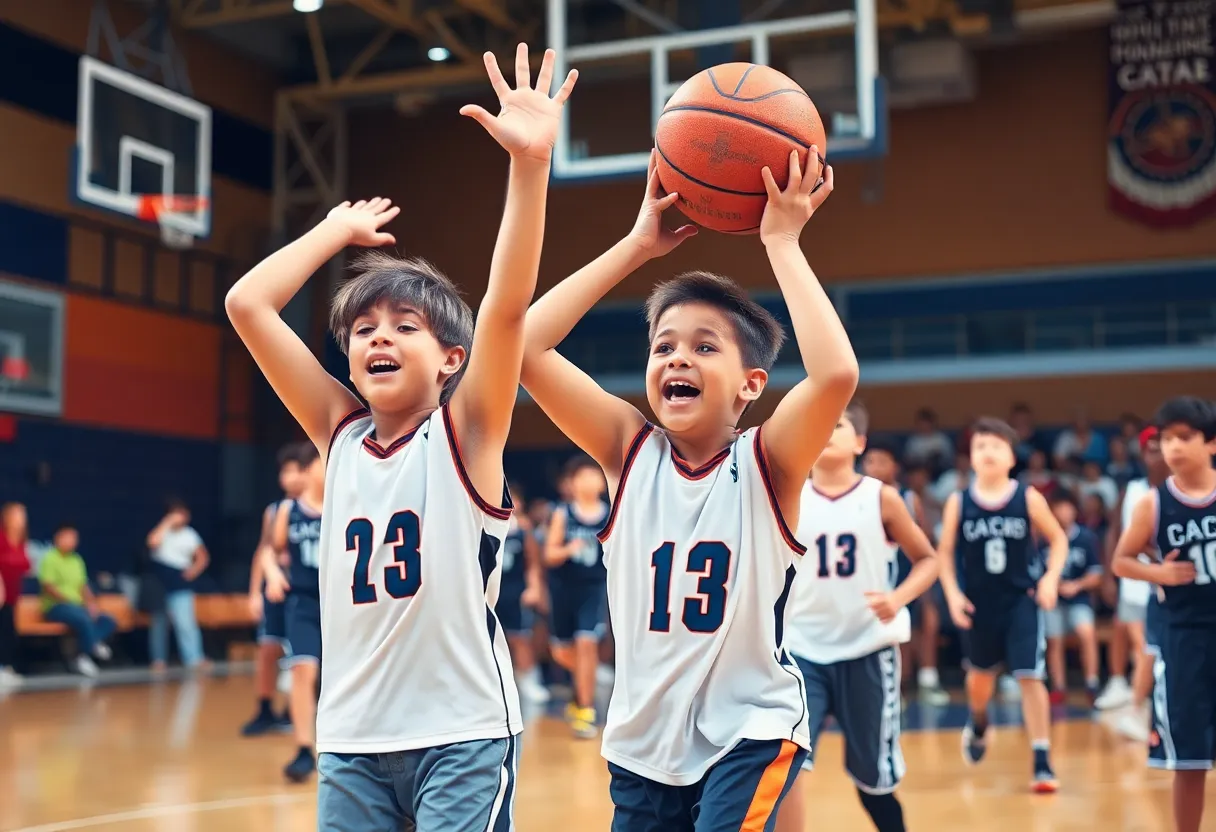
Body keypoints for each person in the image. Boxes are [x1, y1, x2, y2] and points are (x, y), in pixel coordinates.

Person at [225, 44, 576, 831]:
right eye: (362, 329)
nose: (378, 339)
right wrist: (331, 230)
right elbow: (249, 304)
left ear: (453, 358)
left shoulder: (468, 430)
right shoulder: (338, 433)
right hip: (350, 741)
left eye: (404, 327)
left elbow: (509, 307)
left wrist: (530, 168)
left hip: (462, 734)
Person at [520, 145, 856, 830]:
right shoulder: (628, 450)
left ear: (750, 385)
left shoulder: (771, 462)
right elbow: (523, 349)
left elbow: (834, 376)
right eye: (664, 345)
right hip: (644, 746)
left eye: (706, 346)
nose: (677, 356)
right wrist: (636, 246)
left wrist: (783, 242)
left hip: (749, 729)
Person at [776, 401, 939, 832]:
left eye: (840, 424)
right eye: (822, 423)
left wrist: (898, 597)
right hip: (801, 650)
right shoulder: (787, 494)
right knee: (788, 762)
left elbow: (928, 560)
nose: (828, 429)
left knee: (874, 781)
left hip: (868, 646)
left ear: (860, 442)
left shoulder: (881, 497)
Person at [937, 417, 1068, 793]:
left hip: (1021, 602)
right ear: (970, 458)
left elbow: (1058, 541)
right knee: (980, 680)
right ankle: (979, 720)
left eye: (996, 446)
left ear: (1012, 457)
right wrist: (952, 594)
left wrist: (1049, 579)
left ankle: (1042, 761)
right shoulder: (958, 502)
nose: (988, 452)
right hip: (979, 606)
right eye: (980, 446)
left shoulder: (1027, 497)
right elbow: (944, 555)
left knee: (1030, 675)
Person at [1112, 396, 1216, 832]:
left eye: (1185, 437)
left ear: (1211, 443)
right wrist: (1161, 572)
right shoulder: (1153, 505)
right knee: (1189, 761)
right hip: (1184, 637)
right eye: (1166, 438)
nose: (1173, 447)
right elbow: (1121, 561)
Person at [862, 437, 949, 705]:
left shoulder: (909, 498)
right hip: (878, 574)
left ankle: (928, 680)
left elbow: (924, 540)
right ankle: (896, 689)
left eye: (882, 461)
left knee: (928, 623)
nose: (875, 467)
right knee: (890, 632)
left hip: (909, 569)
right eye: (870, 461)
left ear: (894, 467)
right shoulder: (862, 497)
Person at [1097, 427, 1166, 742]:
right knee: (1138, 644)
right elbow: (1114, 531)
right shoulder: (1132, 490)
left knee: (1147, 649)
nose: (1156, 453)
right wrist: (1110, 573)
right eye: (1150, 448)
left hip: (1164, 584)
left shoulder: (1178, 490)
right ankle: (1123, 691)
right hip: (1136, 579)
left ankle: (1140, 707)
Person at [262, 440, 324, 782]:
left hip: (340, 603)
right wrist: (271, 573)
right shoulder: (289, 511)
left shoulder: (346, 504)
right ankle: (303, 749)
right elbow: (272, 552)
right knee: (303, 671)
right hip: (302, 601)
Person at [241, 442, 305, 736]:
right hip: (275, 589)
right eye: (286, 471)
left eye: (297, 470)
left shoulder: (320, 506)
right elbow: (263, 550)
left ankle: (296, 709)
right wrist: (255, 591)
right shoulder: (275, 510)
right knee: (267, 648)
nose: (290, 477)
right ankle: (264, 709)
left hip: (304, 590)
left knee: (302, 655)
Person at [544, 454, 609, 737]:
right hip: (564, 591)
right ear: (571, 483)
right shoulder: (563, 513)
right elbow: (549, 554)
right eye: (581, 476)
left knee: (586, 643)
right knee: (561, 651)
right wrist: (569, 549)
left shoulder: (610, 513)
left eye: (593, 475)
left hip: (594, 589)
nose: (588, 481)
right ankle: (584, 683)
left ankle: (586, 709)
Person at [1039, 492, 1102, 706]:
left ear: (1074, 510)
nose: (1064, 512)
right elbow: (1036, 572)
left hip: (1079, 597)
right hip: (1053, 597)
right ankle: (1059, 687)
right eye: (1059, 507)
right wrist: (1053, 583)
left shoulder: (1086, 537)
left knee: (1087, 633)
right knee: (1054, 640)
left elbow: (1097, 574)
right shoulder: (1044, 538)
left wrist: (1077, 585)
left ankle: (1092, 683)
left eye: (1067, 507)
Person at [37, 524, 118, 677]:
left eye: (74, 538)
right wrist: (69, 601)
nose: (72, 541)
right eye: (68, 537)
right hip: (56, 607)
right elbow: (48, 586)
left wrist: (91, 603)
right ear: (58, 538)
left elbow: (83, 585)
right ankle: (84, 656)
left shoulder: (76, 559)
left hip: (78, 607)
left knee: (107, 620)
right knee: (83, 619)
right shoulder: (50, 558)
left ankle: (91, 644)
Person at [497, 483, 548, 705]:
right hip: (492, 590)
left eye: (513, 498)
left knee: (520, 637)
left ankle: (529, 680)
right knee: (493, 639)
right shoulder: (485, 524)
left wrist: (534, 587)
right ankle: (502, 685)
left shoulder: (523, 528)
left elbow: (533, 563)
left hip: (516, 590)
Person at [145, 499, 209, 672]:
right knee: (159, 623)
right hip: (160, 582)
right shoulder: (162, 530)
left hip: (180, 582)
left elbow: (203, 557)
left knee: (185, 622)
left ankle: (194, 658)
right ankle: (158, 660)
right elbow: (152, 543)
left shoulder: (190, 534)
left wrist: (193, 571)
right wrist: (167, 522)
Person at [0, 502, 29, 687]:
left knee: (8, 633)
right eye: (17, 514)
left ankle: (6, 667)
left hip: (13, 597)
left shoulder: (21, 541)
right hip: (0, 595)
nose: (21, 518)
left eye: (23, 515)